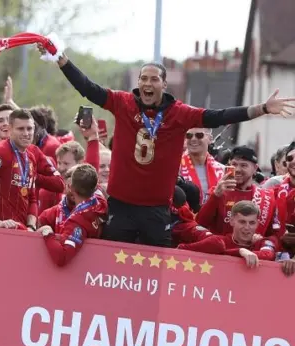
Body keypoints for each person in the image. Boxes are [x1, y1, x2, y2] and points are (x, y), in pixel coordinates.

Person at [39, 43, 295, 246]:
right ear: (138, 82)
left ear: (164, 84)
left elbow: (221, 115)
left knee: (157, 271)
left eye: (154, 80)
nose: (148, 84)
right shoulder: (122, 102)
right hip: (120, 205)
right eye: (143, 79)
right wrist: (61, 59)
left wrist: (262, 108)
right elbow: (88, 88)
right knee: (113, 266)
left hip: (157, 209)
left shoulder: (179, 113)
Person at [196, 146, 277, 237]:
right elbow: (199, 224)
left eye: (243, 165)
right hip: (220, 249)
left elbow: (272, 234)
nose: (238, 170)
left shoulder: (267, 197)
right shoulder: (217, 192)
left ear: (255, 169)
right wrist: (215, 196)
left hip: (252, 250)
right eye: (234, 164)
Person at [38, 164, 107, 267]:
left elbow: (62, 257)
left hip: (76, 274)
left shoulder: (77, 221)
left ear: (71, 188)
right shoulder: (100, 203)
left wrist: (48, 234)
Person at [179, 201, 277, 268]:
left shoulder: (265, 242)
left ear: (257, 224)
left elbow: (268, 255)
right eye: (242, 222)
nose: (247, 227)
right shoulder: (219, 241)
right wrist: (240, 251)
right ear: (232, 221)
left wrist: (239, 251)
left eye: (252, 223)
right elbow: (181, 249)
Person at [178, 128, 225, 204]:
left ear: (210, 139)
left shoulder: (222, 170)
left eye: (199, 135)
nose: (193, 139)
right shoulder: (176, 168)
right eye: (189, 135)